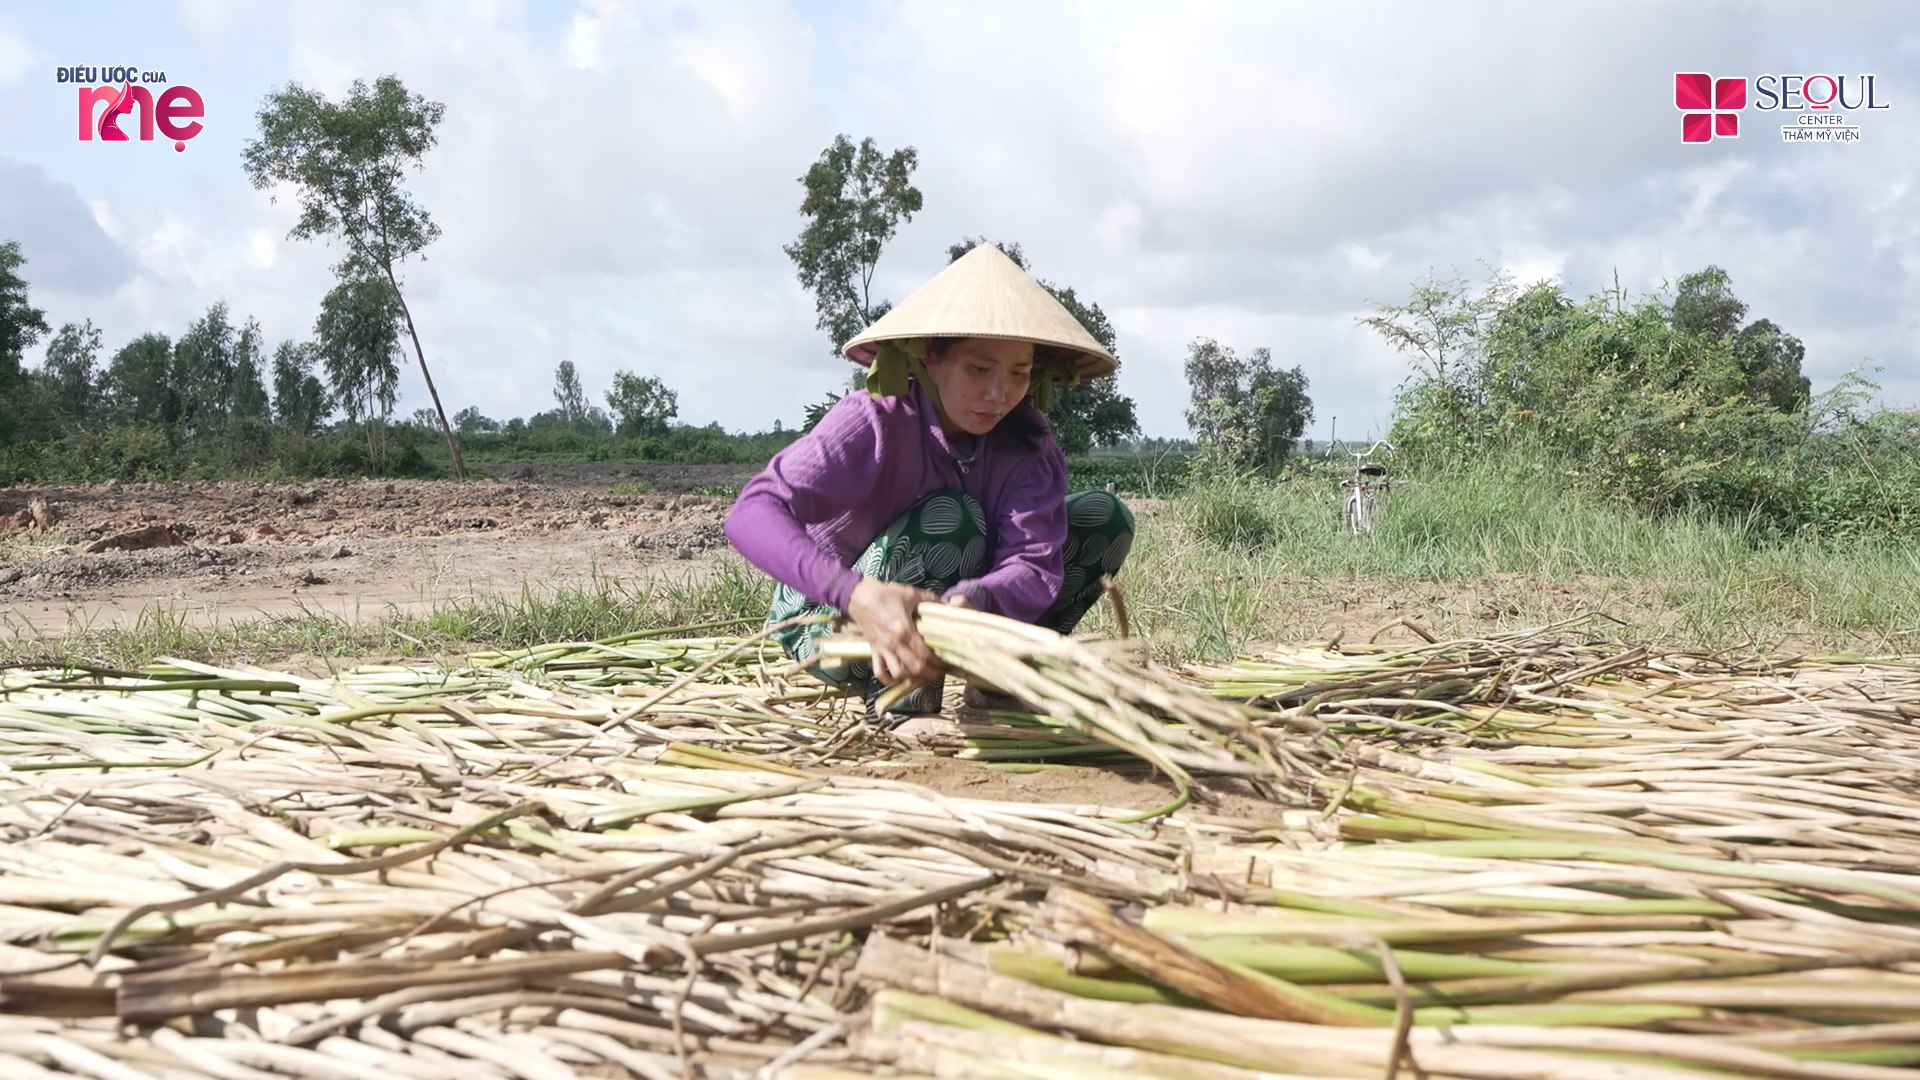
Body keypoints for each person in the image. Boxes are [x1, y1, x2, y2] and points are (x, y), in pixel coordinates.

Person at [723, 244, 1136, 719]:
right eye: (979, 369)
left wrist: (978, 600)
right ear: (929, 357)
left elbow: (1033, 562)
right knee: (952, 517)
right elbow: (752, 511)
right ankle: (902, 705)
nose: (998, 394)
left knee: (1102, 518)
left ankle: (1000, 680)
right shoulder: (873, 422)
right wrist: (856, 594)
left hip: (958, 622)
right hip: (834, 624)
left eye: (1019, 373)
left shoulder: (1027, 447)